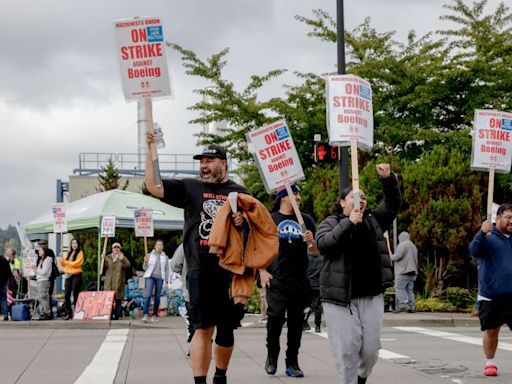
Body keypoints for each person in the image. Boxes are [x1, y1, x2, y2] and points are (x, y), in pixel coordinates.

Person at [145, 137, 248, 384]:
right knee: (202, 327)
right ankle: (200, 381)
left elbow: (256, 232)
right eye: (201, 161)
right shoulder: (190, 187)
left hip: (230, 270)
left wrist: (242, 222)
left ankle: (220, 376)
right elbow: (153, 186)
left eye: (209, 160)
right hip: (199, 271)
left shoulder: (240, 193)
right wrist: (151, 151)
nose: (204, 165)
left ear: (223, 163)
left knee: (225, 329)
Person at [316, 163, 401, 384]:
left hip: (371, 294)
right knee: (347, 348)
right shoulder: (331, 223)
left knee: (371, 349)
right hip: (340, 298)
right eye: (354, 197)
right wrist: (348, 223)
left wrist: (388, 179)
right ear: (342, 202)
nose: (360, 200)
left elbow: (393, 204)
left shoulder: (374, 220)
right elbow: (324, 244)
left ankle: (361, 377)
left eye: (363, 197)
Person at [259, 184, 319, 378]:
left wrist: (312, 241)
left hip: (300, 279)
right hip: (277, 278)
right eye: (294, 193)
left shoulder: (306, 220)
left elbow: (316, 251)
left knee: (296, 323)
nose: (298, 197)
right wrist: (262, 270)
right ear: (283, 197)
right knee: (275, 320)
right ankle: (272, 355)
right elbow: (257, 246)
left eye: (299, 193)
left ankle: (292, 362)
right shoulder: (270, 219)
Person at [469, 203, 512, 377]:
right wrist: (481, 232)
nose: (511, 221)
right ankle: (490, 362)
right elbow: (474, 250)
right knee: (492, 330)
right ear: (498, 218)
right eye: (508, 217)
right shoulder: (488, 237)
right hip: (491, 294)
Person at [170, 243, 195, 344]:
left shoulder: (187, 244)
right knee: (208, 327)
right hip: (213, 291)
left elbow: (175, 265)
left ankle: (194, 347)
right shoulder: (217, 238)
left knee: (194, 324)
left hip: (190, 289)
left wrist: (183, 271)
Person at [142, 239, 169, 323]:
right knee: (148, 295)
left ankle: (155, 315)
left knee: (157, 296)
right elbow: (144, 268)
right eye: (158, 245)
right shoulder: (149, 255)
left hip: (160, 278)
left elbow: (167, 269)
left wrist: (166, 281)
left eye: (161, 245)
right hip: (150, 277)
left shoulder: (165, 257)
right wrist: (145, 262)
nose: (159, 246)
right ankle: (145, 314)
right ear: (155, 246)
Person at [102, 242, 131, 320]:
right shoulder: (107, 257)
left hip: (119, 282)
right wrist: (102, 259)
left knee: (118, 300)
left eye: (118, 248)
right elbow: (102, 267)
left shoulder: (122, 257)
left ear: (120, 249)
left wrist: (122, 259)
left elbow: (128, 265)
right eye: (115, 247)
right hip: (109, 283)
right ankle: (110, 315)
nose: (116, 249)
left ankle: (117, 315)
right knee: (109, 300)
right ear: (112, 249)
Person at [390, 231, 418, 313]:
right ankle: (412, 307)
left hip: (403, 271)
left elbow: (398, 256)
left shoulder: (402, 245)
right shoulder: (413, 246)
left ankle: (402, 305)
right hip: (413, 272)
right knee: (409, 290)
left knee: (399, 288)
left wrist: (391, 256)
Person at [59, 238, 84, 320]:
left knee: (76, 293)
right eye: (73, 243)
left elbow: (77, 263)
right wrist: (61, 258)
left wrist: (66, 263)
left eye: (76, 243)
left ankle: (77, 312)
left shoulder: (80, 253)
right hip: (68, 275)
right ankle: (68, 312)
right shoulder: (68, 253)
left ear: (78, 244)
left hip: (76, 275)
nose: (74, 244)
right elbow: (63, 264)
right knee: (66, 294)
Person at [303, 250, 324, 333]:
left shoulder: (307, 257)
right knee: (317, 306)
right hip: (318, 284)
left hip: (308, 283)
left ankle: (304, 322)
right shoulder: (321, 258)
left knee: (306, 305)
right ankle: (317, 326)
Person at [38, 239, 56, 312]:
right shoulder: (41, 254)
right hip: (44, 277)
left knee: (45, 295)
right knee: (45, 295)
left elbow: (45, 270)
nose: (41, 246)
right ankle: (44, 311)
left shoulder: (49, 253)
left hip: (48, 277)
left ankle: (48, 311)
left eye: (42, 244)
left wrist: (37, 270)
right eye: (40, 244)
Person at [34, 247, 53, 320]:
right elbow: (40, 271)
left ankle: (48, 312)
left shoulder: (47, 260)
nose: (39, 251)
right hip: (40, 280)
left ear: (44, 251)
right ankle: (43, 313)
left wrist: (36, 270)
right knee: (43, 297)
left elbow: (44, 272)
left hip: (44, 280)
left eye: (40, 250)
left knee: (41, 297)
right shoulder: (41, 260)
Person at [0, 250, 13, 320]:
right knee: (3, 298)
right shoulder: (4, 260)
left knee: (2, 298)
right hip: (3, 282)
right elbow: (9, 272)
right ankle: (5, 314)